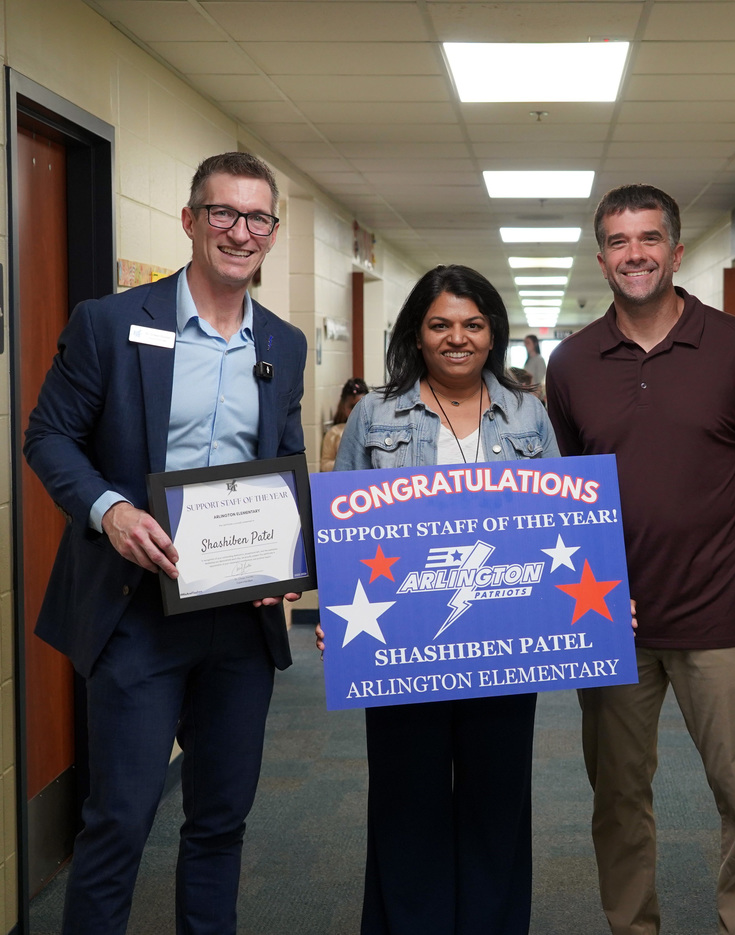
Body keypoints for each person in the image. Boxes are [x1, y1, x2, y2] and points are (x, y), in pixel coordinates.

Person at [24, 152, 307, 935]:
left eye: (258, 218)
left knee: (220, 821)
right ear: (190, 220)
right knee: (119, 819)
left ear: (272, 233)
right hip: (135, 612)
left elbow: (286, 462)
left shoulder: (282, 343)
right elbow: (48, 436)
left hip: (239, 619)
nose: (240, 231)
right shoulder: (112, 324)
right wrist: (109, 509)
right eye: (223, 213)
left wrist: (287, 559)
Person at [545, 184, 735, 935]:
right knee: (617, 801)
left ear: (676, 252)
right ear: (601, 257)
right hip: (609, 616)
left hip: (723, 615)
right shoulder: (573, 362)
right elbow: (559, 493)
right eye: (619, 241)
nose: (635, 253)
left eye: (649, 238)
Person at [316, 264, 557, 935]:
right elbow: (345, 531)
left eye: (473, 324)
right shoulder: (376, 414)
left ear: (493, 333)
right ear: (416, 335)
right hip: (403, 650)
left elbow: (562, 524)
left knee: (497, 806)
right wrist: (339, 610)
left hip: (506, 646)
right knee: (406, 804)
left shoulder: (528, 414)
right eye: (441, 324)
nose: (458, 337)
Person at [320, 376, 368, 471]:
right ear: (343, 407)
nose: (356, 411)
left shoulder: (375, 432)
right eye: (352, 407)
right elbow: (324, 465)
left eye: (361, 407)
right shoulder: (334, 433)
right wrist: (348, 464)